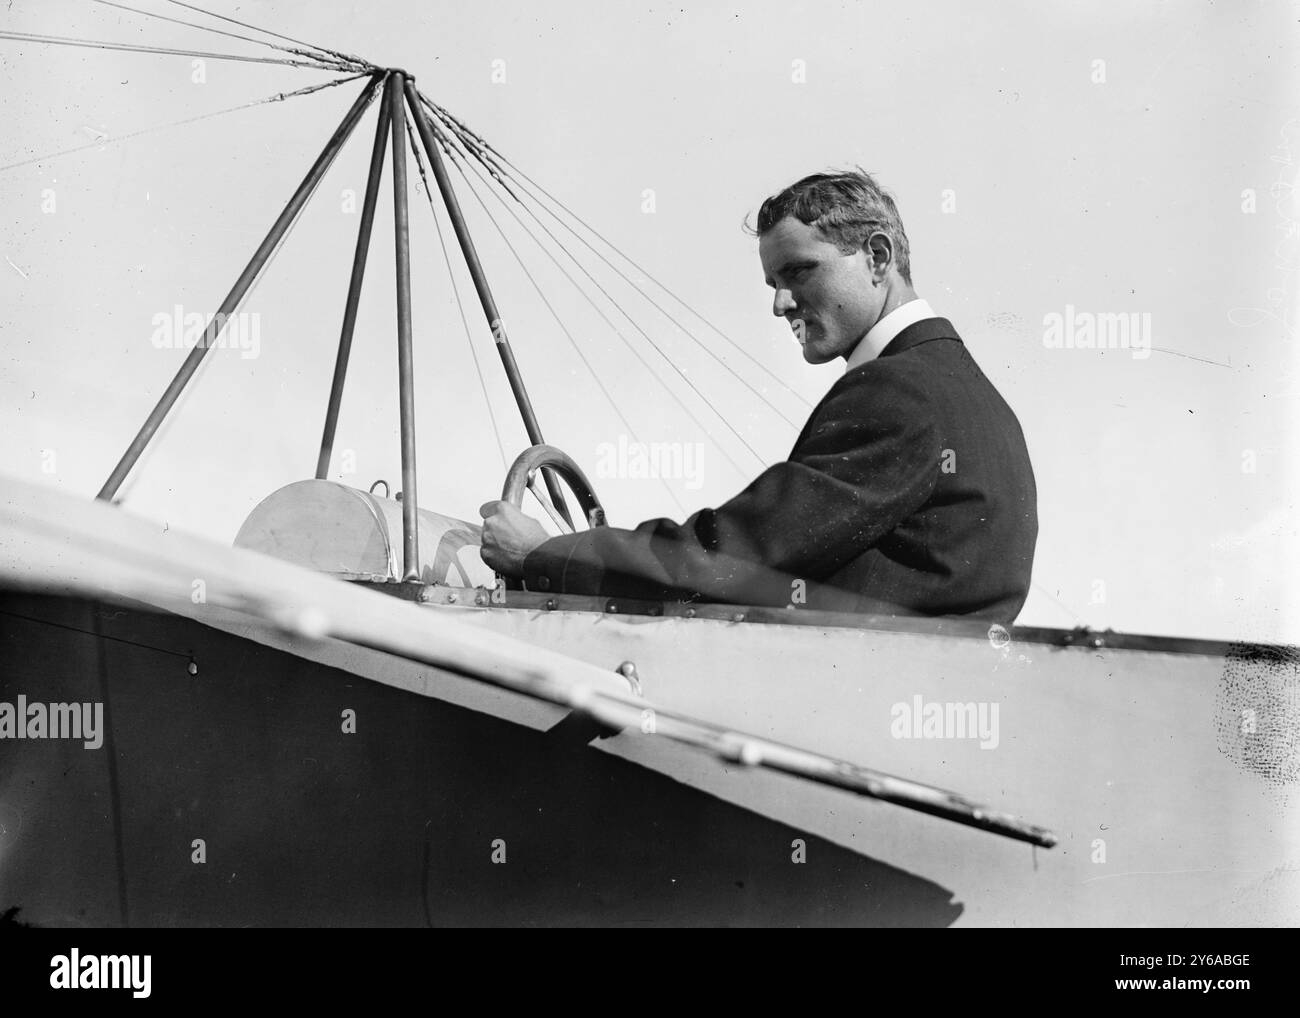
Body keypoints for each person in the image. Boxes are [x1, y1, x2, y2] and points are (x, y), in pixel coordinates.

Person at [479, 169, 1038, 624]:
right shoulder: (971, 394)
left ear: (878, 257)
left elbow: (731, 557)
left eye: (799, 272)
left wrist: (545, 557)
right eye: (773, 284)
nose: (781, 305)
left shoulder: (900, 391)